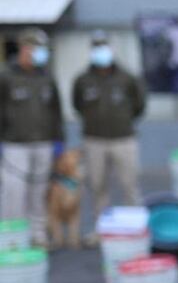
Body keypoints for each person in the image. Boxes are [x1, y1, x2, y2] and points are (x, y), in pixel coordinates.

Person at [72, 31, 146, 242]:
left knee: (129, 184)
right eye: (96, 47)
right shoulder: (83, 80)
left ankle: (134, 229)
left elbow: (139, 105)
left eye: (103, 46)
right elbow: (77, 105)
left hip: (123, 138)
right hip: (94, 139)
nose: (100, 51)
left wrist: (122, 121)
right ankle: (101, 230)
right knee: (97, 186)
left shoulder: (127, 78)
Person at [0, 28, 64, 246]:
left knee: (39, 193)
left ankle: (38, 235)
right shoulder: (6, 76)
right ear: (25, 49)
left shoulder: (46, 77)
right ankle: (13, 239)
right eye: (37, 49)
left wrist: (58, 141)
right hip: (14, 144)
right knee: (14, 194)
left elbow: (56, 111)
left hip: (43, 143)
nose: (41, 54)